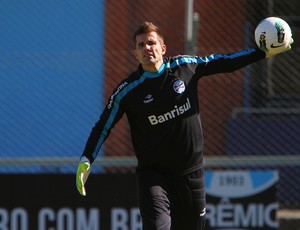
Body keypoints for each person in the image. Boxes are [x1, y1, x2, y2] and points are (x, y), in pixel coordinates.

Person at [76, 21, 293, 230]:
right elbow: (103, 125)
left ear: (163, 48)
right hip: (154, 175)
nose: (146, 48)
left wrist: (260, 53)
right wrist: (87, 158)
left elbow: (223, 62)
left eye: (151, 43)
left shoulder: (184, 67)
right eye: (140, 45)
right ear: (135, 54)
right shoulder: (128, 90)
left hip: (191, 172)